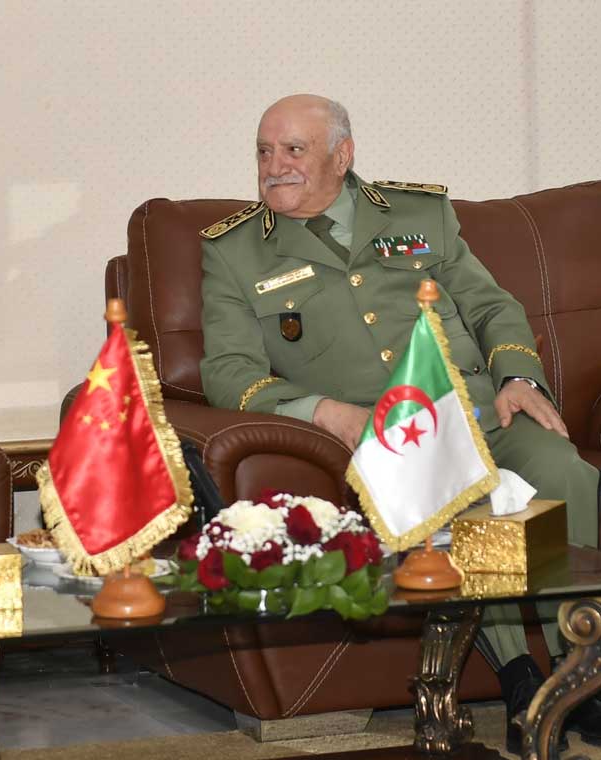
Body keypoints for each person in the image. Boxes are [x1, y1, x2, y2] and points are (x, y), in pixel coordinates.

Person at [198, 93, 601, 754]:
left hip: (476, 406)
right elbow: (228, 371)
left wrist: (519, 379)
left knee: (568, 473)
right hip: (389, 434)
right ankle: (523, 680)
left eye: (294, 149)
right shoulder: (236, 251)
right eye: (264, 151)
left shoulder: (419, 214)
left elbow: (490, 305)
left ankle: (582, 669)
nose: (274, 166)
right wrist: (325, 412)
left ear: (342, 155)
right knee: (460, 498)